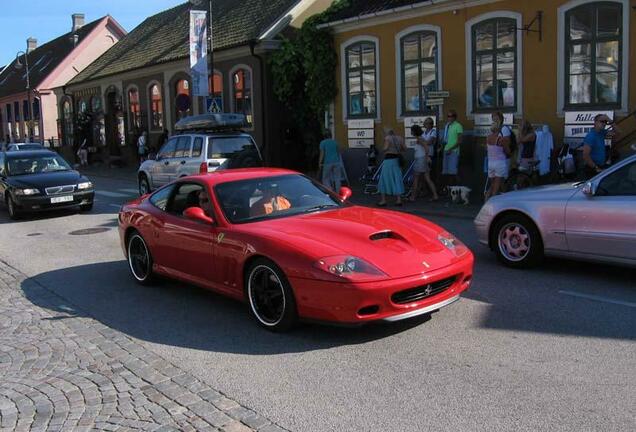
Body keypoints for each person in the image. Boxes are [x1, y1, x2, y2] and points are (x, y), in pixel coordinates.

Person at [578, 114, 621, 180]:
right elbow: (585, 155)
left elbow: (618, 133)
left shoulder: (602, 133)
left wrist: (610, 120)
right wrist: (595, 168)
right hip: (592, 168)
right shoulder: (591, 136)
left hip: (601, 166)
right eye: (602, 121)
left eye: (605, 122)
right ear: (595, 122)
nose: (604, 124)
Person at [409, 121, 439, 202]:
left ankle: (413, 197)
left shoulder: (419, 139)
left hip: (421, 160)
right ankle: (435, 195)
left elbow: (426, 147)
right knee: (427, 179)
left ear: (414, 131)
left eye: (411, 130)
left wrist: (427, 157)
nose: (411, 132)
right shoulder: (420, 138)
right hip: (423, 159)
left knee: (416, 179)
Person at [377, 128, 407, 207]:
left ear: (387, 133)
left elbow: (385, 148)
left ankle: (383, 200)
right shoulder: (400, 138)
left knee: (384, 179)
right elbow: (404, 148)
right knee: (397, 178)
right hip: (397, 160)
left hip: (388, 160)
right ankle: (399, 200)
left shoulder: (387, 138)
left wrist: (383, 148)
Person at [485, 120, 511, 201]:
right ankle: (492, 205)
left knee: (492, 184)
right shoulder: (500, 139)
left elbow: (487, 149)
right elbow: (507, 151)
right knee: (496, 187)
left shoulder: (488, 137)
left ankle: (486, 200)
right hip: (499, 163)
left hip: (490, 163)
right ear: (499, 129)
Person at [441, 109, 463, 190]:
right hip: (446, 150)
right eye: (448, 116)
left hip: (454, 151)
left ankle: (460, 188)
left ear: (454, 117)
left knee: (453, 172)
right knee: (447, 172)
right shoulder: (447, 125)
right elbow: (445, 138)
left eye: (450, 116)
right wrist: (442, 147)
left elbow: (460, 140)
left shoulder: (458, 126)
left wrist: (451, 149)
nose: (449, 118)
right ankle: (449, 189)